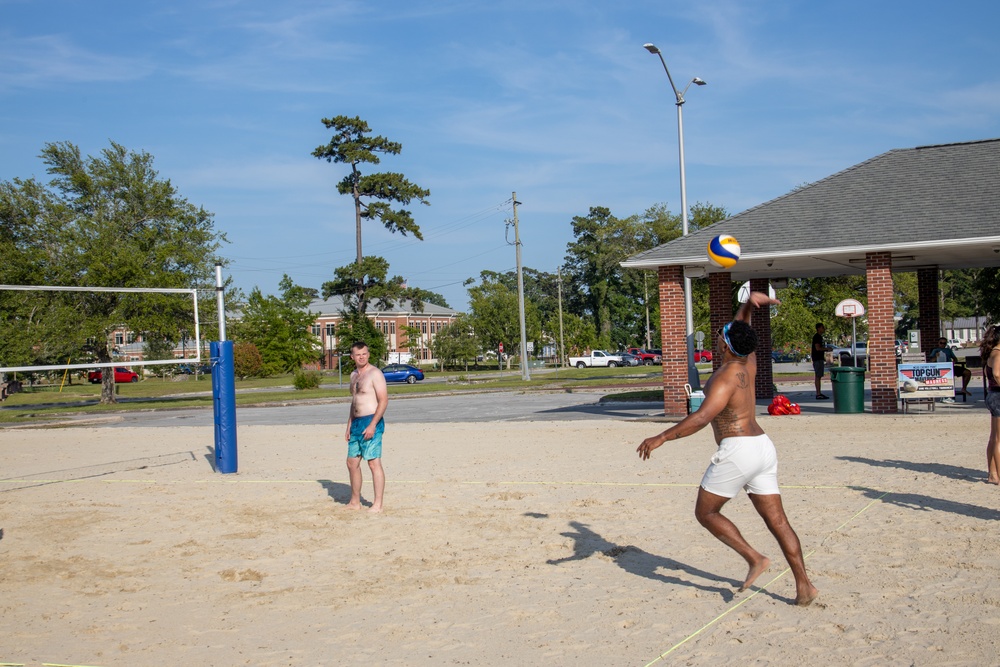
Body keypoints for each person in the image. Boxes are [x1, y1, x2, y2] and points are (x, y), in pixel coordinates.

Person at [636, 292, 819, 606]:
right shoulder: (748, 361)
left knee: (705, 512)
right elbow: (739, 329)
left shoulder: (723, 378)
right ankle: (804, 585)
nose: (719, 336)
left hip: (738, 450)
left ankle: (754, 558)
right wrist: (748, 305)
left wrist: (662, 437)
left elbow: (703, 417)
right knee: (779, 522)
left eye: (720, 335)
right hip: (762, 446)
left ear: (723, 344)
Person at [345, 341, 389, 513]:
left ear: (368, 354)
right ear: (352, 356)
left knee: (373, 463)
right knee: (351, 463)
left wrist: (372, 425)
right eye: (358, 354)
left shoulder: (375, 373)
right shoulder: (353, 375)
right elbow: (354, 401)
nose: (361, 357)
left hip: (372, 421)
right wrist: (348, 425)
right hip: (356, 423)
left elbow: (384, 400)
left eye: (364, 353)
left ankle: (378, 504)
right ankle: (355, 501)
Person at [979, 325, 1000, 484]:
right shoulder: (998, 354)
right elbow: (997, 374)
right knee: (999, 439)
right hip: (998, 395)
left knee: (994, 437)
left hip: (992, 395)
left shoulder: (991, 353)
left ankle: (992, 473)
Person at [927, 337, 972, 402]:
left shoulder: (948, 350)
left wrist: (953, 362)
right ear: (938, 343)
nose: (942, 344)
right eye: (941, 343)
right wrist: (936, 356)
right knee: (945, 377)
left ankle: (964, 388)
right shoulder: (935, 350)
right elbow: (931, 360)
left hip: (950, 367)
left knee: (967, 372)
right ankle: (945, 395)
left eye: (944, 343)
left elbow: (955, 358)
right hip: (939, 369)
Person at [811, 323, 833, 400]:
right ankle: (818, 393)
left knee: (819, 376)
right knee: (818, 376)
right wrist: (827, 349)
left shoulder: (819, 337)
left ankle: (819, 392)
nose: (824, 328)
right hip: (817, 359)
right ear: (819, 328)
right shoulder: (817, 337)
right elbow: (817, 348)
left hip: (819, 358)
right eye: (822, 327)